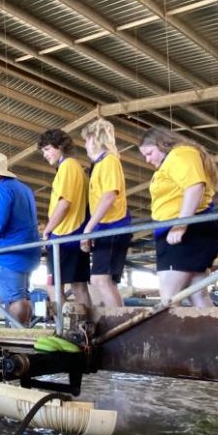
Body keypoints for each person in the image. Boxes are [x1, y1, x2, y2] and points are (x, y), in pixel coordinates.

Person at [139, 127, 218, 307]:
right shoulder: (174, 161)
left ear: (162, 144)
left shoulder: (180, 154)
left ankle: (173, 335)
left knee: (169, 299)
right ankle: (210, 334)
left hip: (185, 233)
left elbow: (194, 187)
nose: (147, 159)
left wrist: (181, 225)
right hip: (186, 230)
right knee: (198, 294)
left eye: (149, 153)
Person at [0, 152, 41, 325]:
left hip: (8, 253)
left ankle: (16, 337)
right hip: (29, 251)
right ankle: (24, 332)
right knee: (23, 296)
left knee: (14, 299)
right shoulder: (24, 189)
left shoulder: (1, 190)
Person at [37, 128, 93, 317]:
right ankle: (86, 326)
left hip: (64, 235)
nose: (45, 155)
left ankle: (66, 328)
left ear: (59, 147)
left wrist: (47, 230)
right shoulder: (76, 168)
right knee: (78, 286)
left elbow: (64, 203)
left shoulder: (68, 166)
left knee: (54, 286)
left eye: (47, 149)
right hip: (74, 234)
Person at [80, 119, 129, 311]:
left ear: (92, 139)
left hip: (113, 226)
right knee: (106, 281)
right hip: (106, 227)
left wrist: (88, 228)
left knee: (100, 279)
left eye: (86, 140)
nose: (85, 145)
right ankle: (121, 323)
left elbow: (109, 195)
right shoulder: (100, 164)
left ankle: (120, 326)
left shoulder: (109, 160)